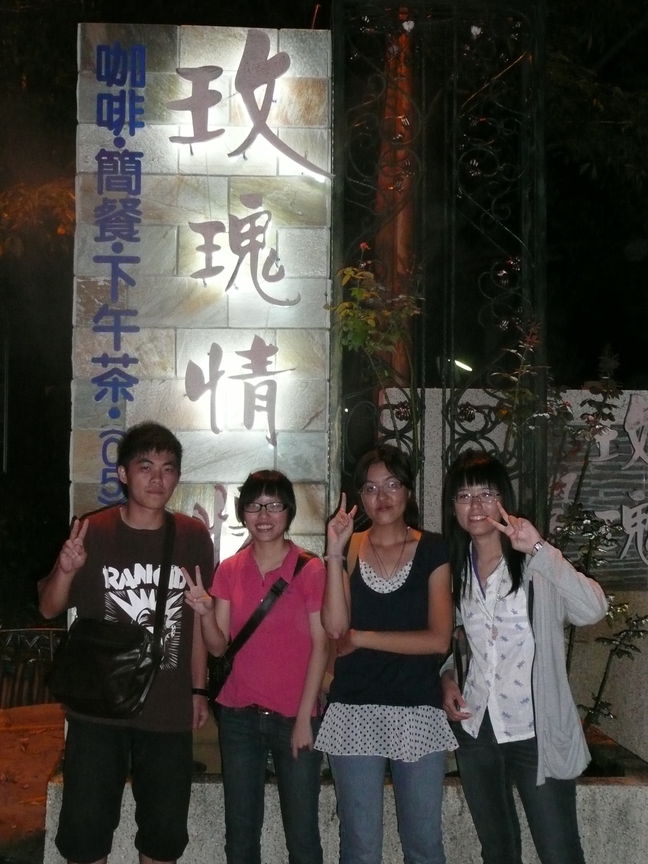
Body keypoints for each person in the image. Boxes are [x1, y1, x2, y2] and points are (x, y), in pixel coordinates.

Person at [39, 421, 214, 864]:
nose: (157, 478)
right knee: (86, 832)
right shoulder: (92, 531)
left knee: (164, 834)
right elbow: (48, 608)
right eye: (145, 466)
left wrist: (198, 689)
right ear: (123, 473)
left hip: (168, 706)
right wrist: (66, 569)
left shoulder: (192, 536)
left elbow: (195, 621)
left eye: (168, 468)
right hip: (98, 708)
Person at [441, 449, 609, 864]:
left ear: (504, 500)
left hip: (536, 728)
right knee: (497, 850)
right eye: (464, 496)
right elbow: (454, 637)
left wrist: (539, 547)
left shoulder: (534, 565)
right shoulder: (454, 568)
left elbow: (593, 609)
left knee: (559, 850)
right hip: (477, 727)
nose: (476, 505)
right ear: (453, 507)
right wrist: (446, 678)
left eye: (487, 493)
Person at [315, 444, 456, 864]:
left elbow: (438, 640)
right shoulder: (351, 548)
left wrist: (363, 638)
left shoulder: (433, 549)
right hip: (355, 706)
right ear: (360, 497)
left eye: (392, 485)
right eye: (371, 488)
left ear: (408, 490)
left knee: (424, 845)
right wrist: (334, 552)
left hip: (418, 705)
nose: (383, 496)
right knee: (360, 847)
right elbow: (335, 628)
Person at [184, 469, 329, 864]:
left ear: (289, 511)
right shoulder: (230, 569)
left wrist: (305, 719)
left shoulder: (310, 569)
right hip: (239, 717)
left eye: (274, 505)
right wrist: (205, 613)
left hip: (295, 717)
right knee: (241, 836)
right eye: (254, 506)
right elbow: (219, 647)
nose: (264, 515)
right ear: (242, 512)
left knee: (303, 837)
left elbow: (321, 645)